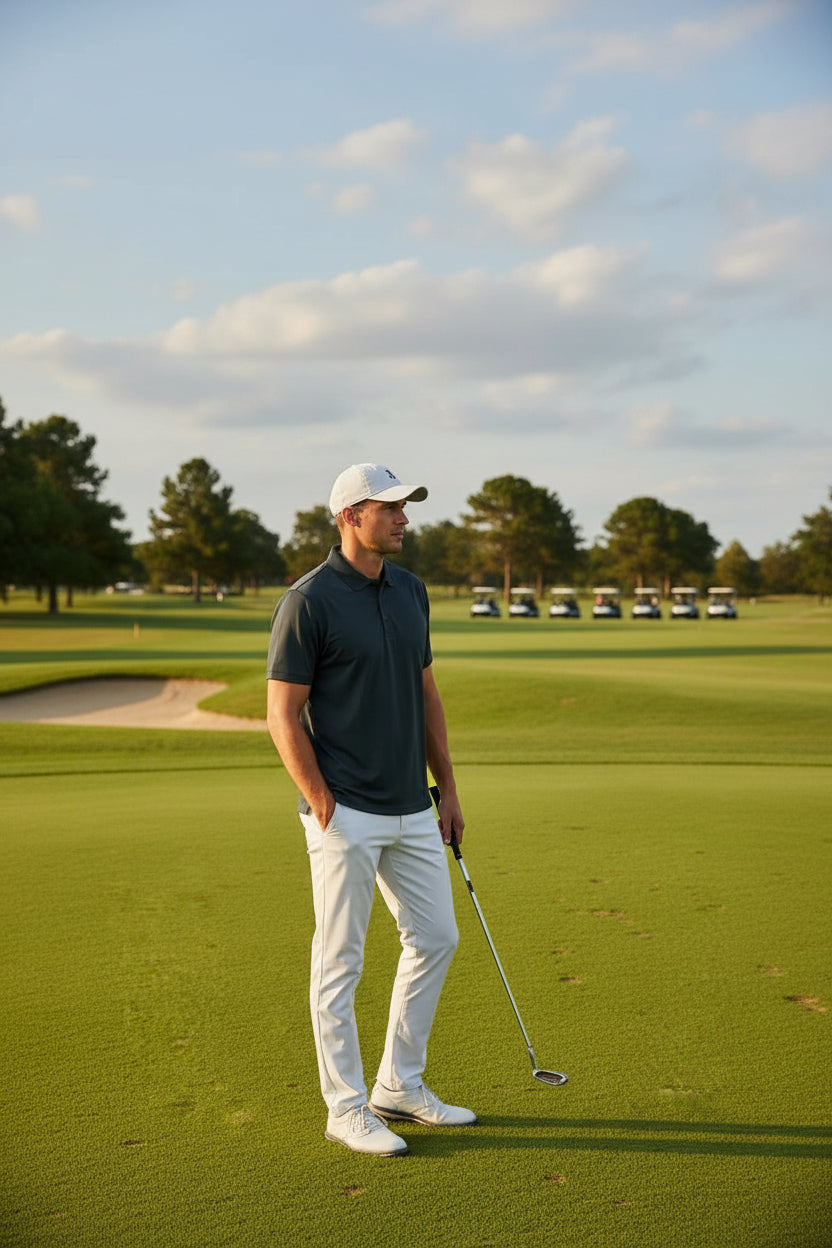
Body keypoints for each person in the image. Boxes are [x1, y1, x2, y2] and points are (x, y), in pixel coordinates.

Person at [266, 462, 475, 1158]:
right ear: (350, 516)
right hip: (345, 811)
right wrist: (324, 803)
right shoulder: (308, 601)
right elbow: (282, 716)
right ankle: (346, 1108)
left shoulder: (411, 591)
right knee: (341, 962)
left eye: (405, 508)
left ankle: (399, 1085)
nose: (404, 519)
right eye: (390, 509)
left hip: (412, 805)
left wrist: (447, 788)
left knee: (436, 937)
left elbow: (426, 694)